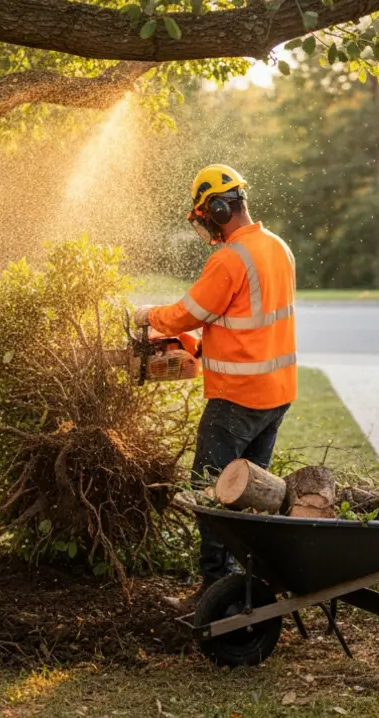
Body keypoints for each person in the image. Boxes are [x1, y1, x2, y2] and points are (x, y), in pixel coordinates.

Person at [134, 164, 297, 606]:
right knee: (253, 497)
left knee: (211, 491)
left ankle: (213, 588)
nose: (206, 224)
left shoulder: (230, 257)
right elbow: (249, 323)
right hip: (275, 395)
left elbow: (189, 312)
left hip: (236, 400)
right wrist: (199, 347)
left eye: (207, 214)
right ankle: (250, 584)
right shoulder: (277, 248)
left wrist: (147, 317)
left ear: (221, 207)